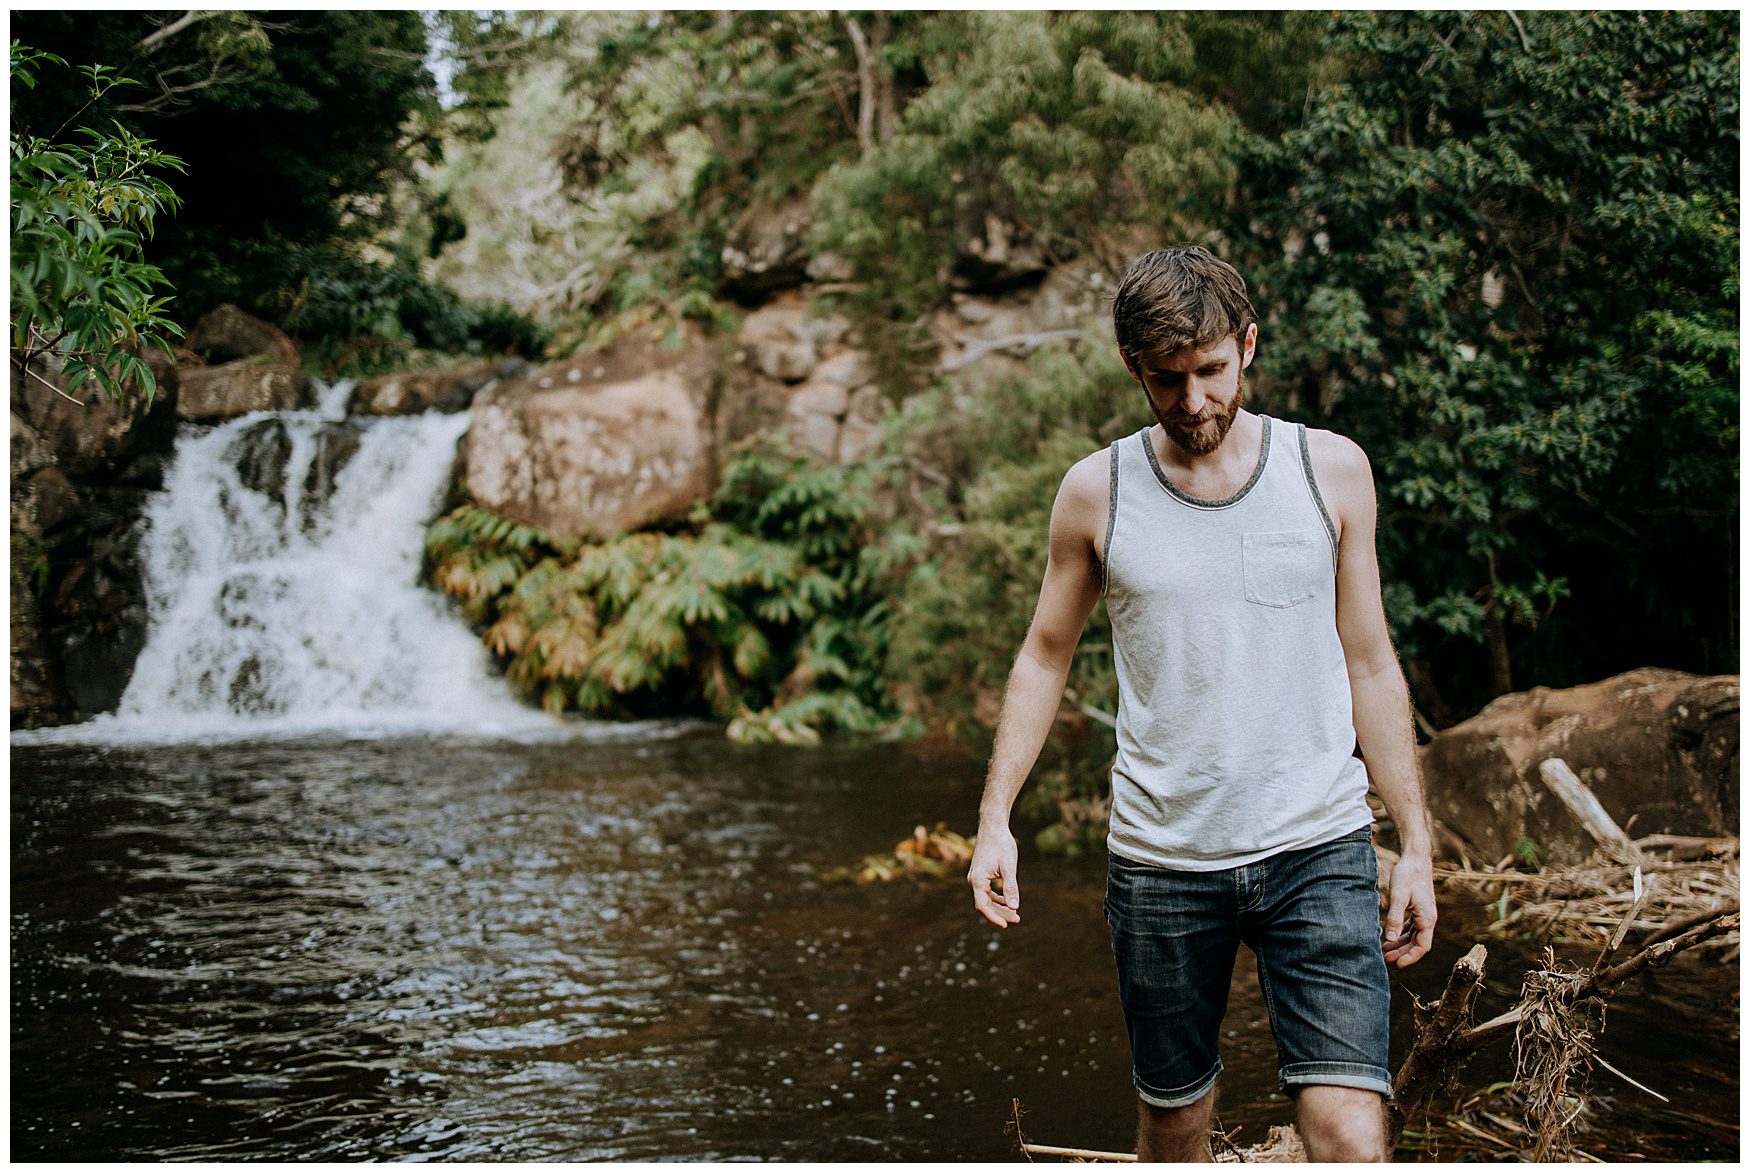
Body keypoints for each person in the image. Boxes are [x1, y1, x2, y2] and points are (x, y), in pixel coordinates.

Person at [965, 246, 1437, 1162]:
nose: (1192, 403)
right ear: (1132, 366)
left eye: (1211, 372)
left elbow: (1372, 661)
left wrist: (1415, 838)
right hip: (1161, 861)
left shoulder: (1330, 471)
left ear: (1248, 347)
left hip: (1320, 845)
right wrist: (995, 819)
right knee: (1175, 1127)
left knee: (1347, 1130)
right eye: (1167, 379)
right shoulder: (1095, 492)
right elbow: (1042, 655)